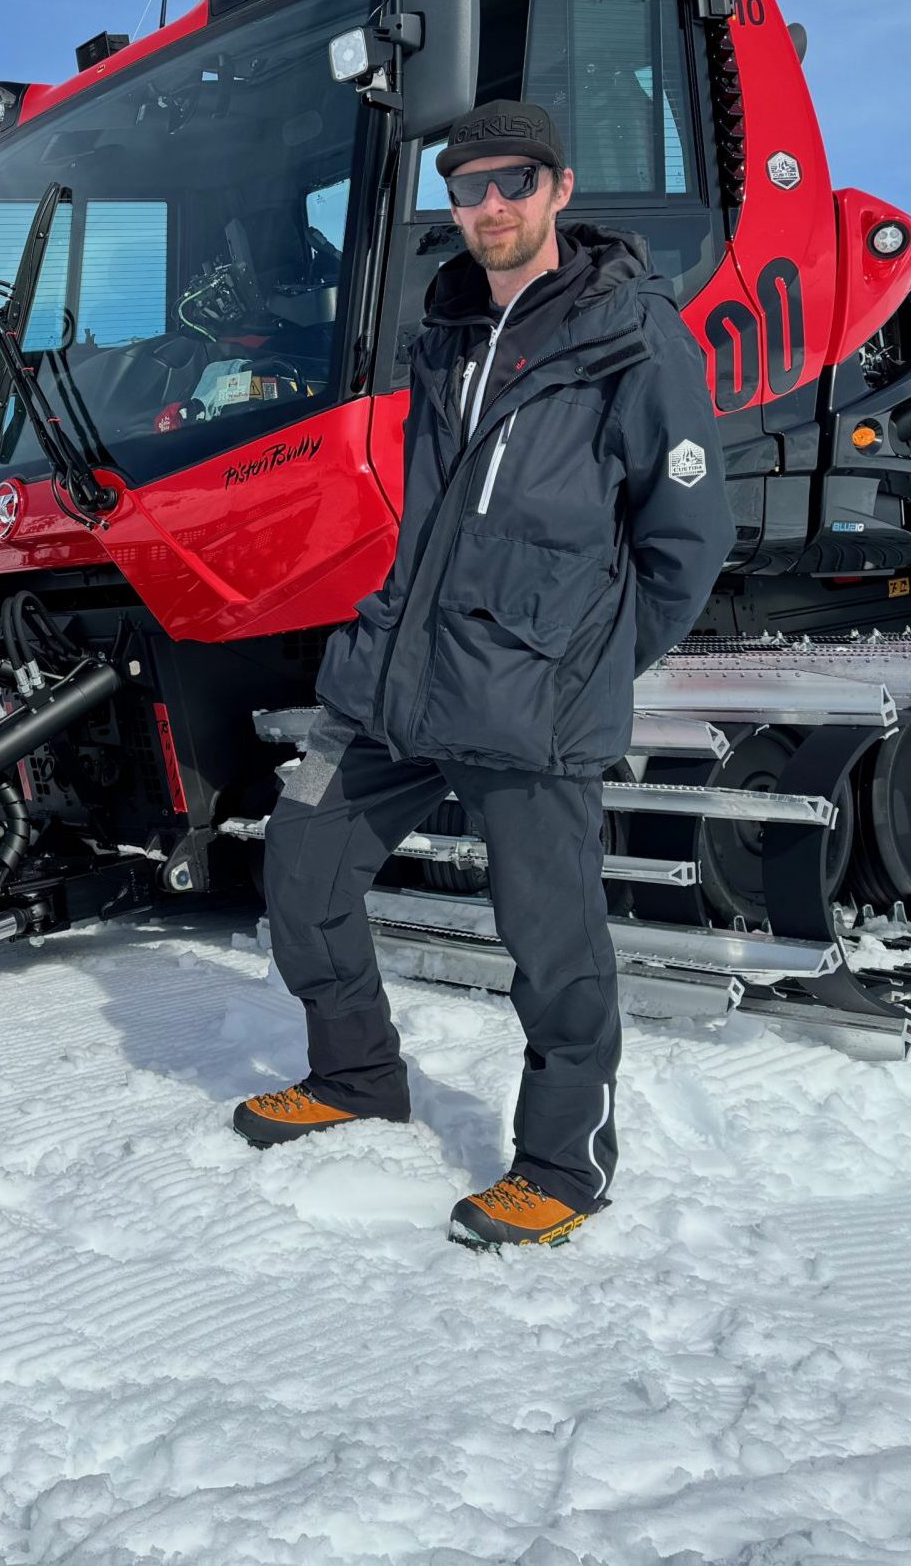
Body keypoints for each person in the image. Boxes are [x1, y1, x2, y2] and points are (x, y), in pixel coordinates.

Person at [233, 99, 736, 1251]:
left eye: (515, 181)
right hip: (392, 681)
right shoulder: (447, 332)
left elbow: (687, 535)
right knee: (302, 862)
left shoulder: (632, 335)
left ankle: (562, 1166)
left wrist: (586, 662)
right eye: (470, 187)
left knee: (553, 947)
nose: (492, 205)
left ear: (559, 190)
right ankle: (356, 1074)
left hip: (530, 697)